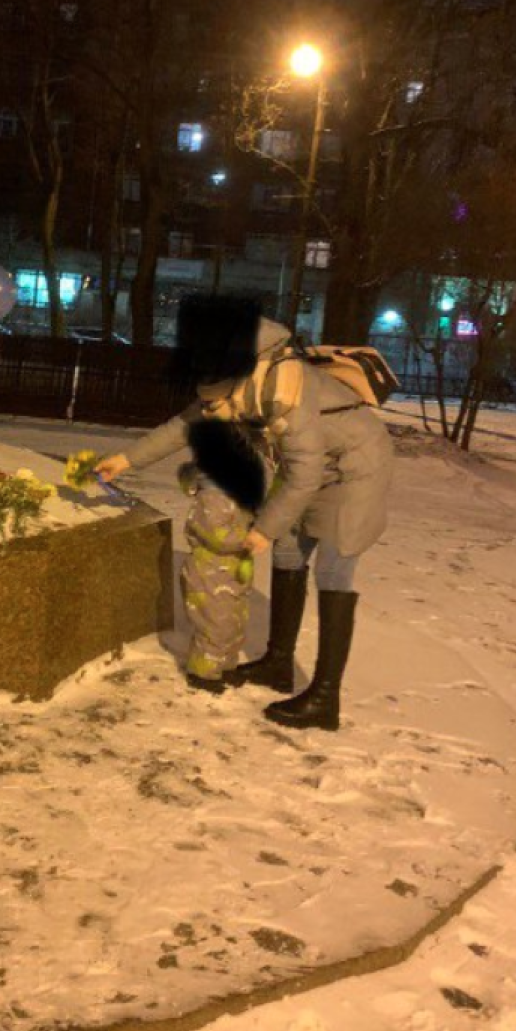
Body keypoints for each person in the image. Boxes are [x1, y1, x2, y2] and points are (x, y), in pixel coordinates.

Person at [95, 296, 394, 732]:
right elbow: (185, 424)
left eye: (216, 404)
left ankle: (325, 698)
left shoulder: (286, 393)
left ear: (236, 387)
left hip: (354, 470)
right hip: (307, 469)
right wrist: (126, 460)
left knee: (333, 569)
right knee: (290, 556)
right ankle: (277, 664)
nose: (212, 411)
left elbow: (305, 475)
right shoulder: (234, 376)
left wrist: (265, 530)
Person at [176, 418, 267, 693]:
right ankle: (203, 672)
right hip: (209, 572)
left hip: (233, 570)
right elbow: (216, 534)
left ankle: (224, 666)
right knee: (214, 624)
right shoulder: (212, 496)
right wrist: (247, 539)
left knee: (234, 622)